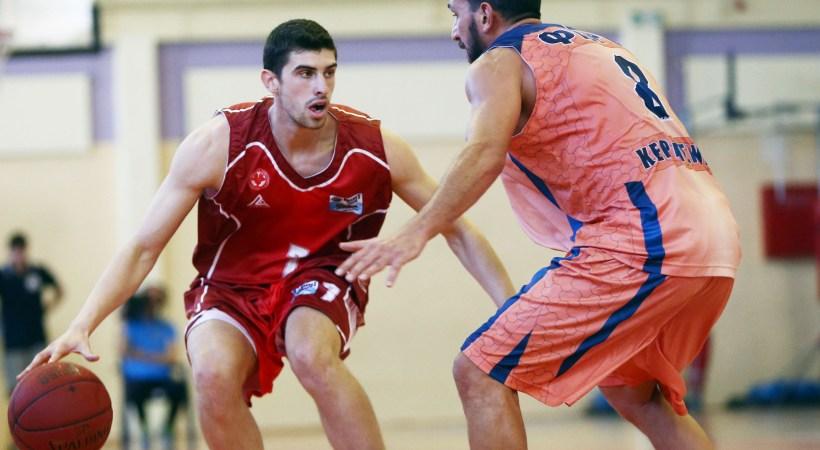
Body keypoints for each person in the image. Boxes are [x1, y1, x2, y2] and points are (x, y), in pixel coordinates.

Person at [21, 19, 513, 450]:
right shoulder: (219, 144)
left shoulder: (374, 148)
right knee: (211, 374)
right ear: (270, 81)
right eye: (305, 74)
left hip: (322, 274)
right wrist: (83, 322)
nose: (321, 87)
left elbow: (456, 227)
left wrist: (509, 309)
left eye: (329, 72)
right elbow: (144, 247)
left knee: (310, 354)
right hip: (230, 285)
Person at [337, 1, 742, 449]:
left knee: (479, 371)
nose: (453, 31)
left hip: (645, 238)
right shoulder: (602, 47)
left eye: (456, 14)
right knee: (635, 395)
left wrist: (416, 230)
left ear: (485, 14)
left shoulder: (499, 61)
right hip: (716, 235)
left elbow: (483, 153)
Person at [120, 285, 189, 449]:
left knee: (179, 389)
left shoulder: (167, 326)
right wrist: (158, 357)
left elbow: (172, 357)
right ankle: (144, 428)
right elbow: (124, 351)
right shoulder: (131, 325)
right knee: (134, 393)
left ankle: (168, 427)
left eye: (157, 300)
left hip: (162, 377)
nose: (153, 304)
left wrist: (141, 354)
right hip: (137, 378)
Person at [0, 232, 62, 395]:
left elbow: (59, 289)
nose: (19, 255)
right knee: (16, 389)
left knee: (42, 385)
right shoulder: (3, 276)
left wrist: (48, 306)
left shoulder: (37, 272)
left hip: (36, 338)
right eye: (15, 251)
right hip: (13, 342)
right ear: (10, 252)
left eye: (21, 251)